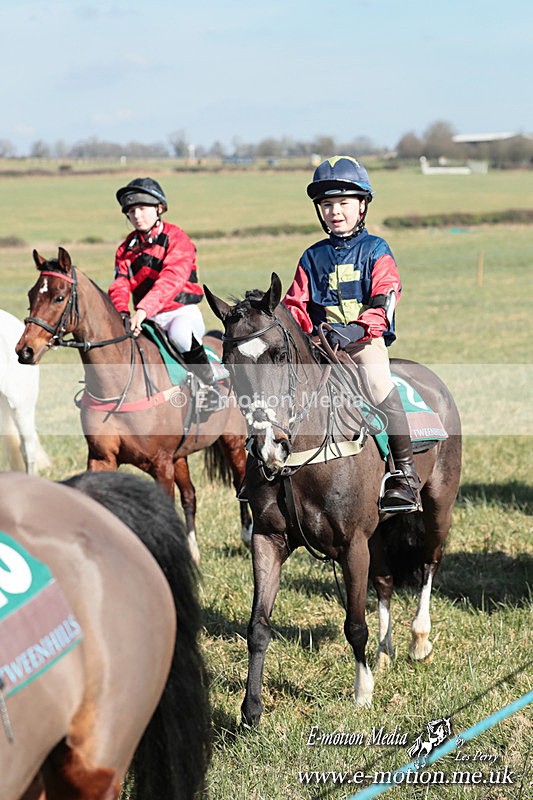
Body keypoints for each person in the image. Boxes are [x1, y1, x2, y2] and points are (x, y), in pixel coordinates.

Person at [283, 156, 421, 512]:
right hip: (320, 346)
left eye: (344, 203)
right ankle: (268, 471)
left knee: (377, 385)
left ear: (362, 206)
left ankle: (404, 476)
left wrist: (356, 329)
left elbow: (385, 300)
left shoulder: (376, 250)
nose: (335, 211)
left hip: (362, 342)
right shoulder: (312, 256)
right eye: (327, 205)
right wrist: (300, 333)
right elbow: (296, 303)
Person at [108, 177, 219, 401]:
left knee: (179, 334)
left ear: (159, 208)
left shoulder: (177, 239)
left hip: (180, 312)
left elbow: (171, 279)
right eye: (130, 211)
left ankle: (210, 389)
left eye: (141, 208)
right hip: (147, 319)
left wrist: (142, 310)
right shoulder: (125, 249)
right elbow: (119, 284)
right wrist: (122, 313)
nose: (136, 216)